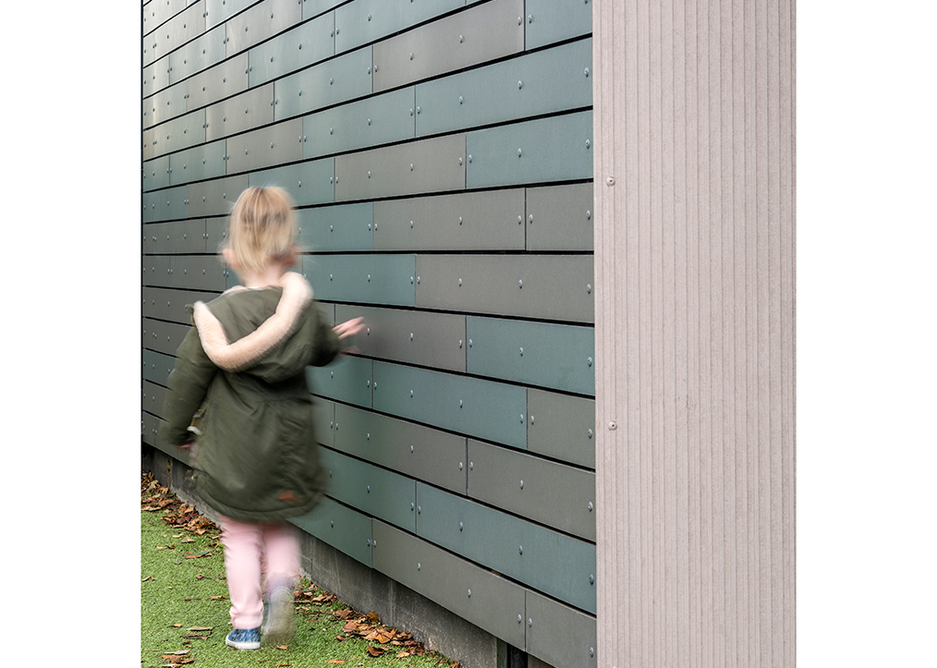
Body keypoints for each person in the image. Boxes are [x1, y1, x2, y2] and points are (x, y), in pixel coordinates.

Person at [158, 186, 364, 650]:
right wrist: (336, 337)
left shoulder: (218, 318)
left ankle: (247, 625)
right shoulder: (303, 311)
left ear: (231, 256)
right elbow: (323, 350)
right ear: (291, 252)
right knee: (278, 523)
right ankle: (281, 587)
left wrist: (176, 432)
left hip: (235, 454)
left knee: (240, 533)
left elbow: (187, 381)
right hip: (289, 452)